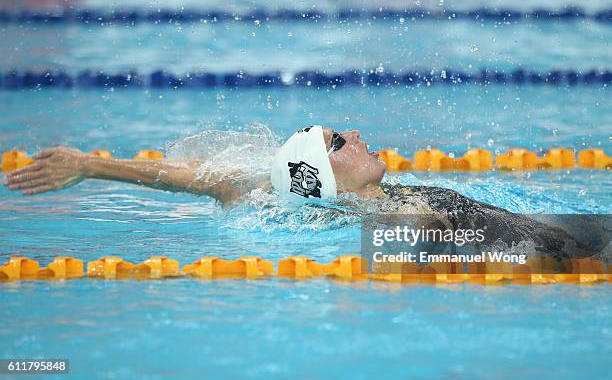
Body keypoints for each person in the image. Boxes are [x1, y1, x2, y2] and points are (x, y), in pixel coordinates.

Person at [2, 125, 604, 261]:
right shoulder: (403, 218)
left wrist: (90, 165)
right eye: (340, 140)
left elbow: (203, 179)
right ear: (326, 174)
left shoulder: (298, 198)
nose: (359, 136)